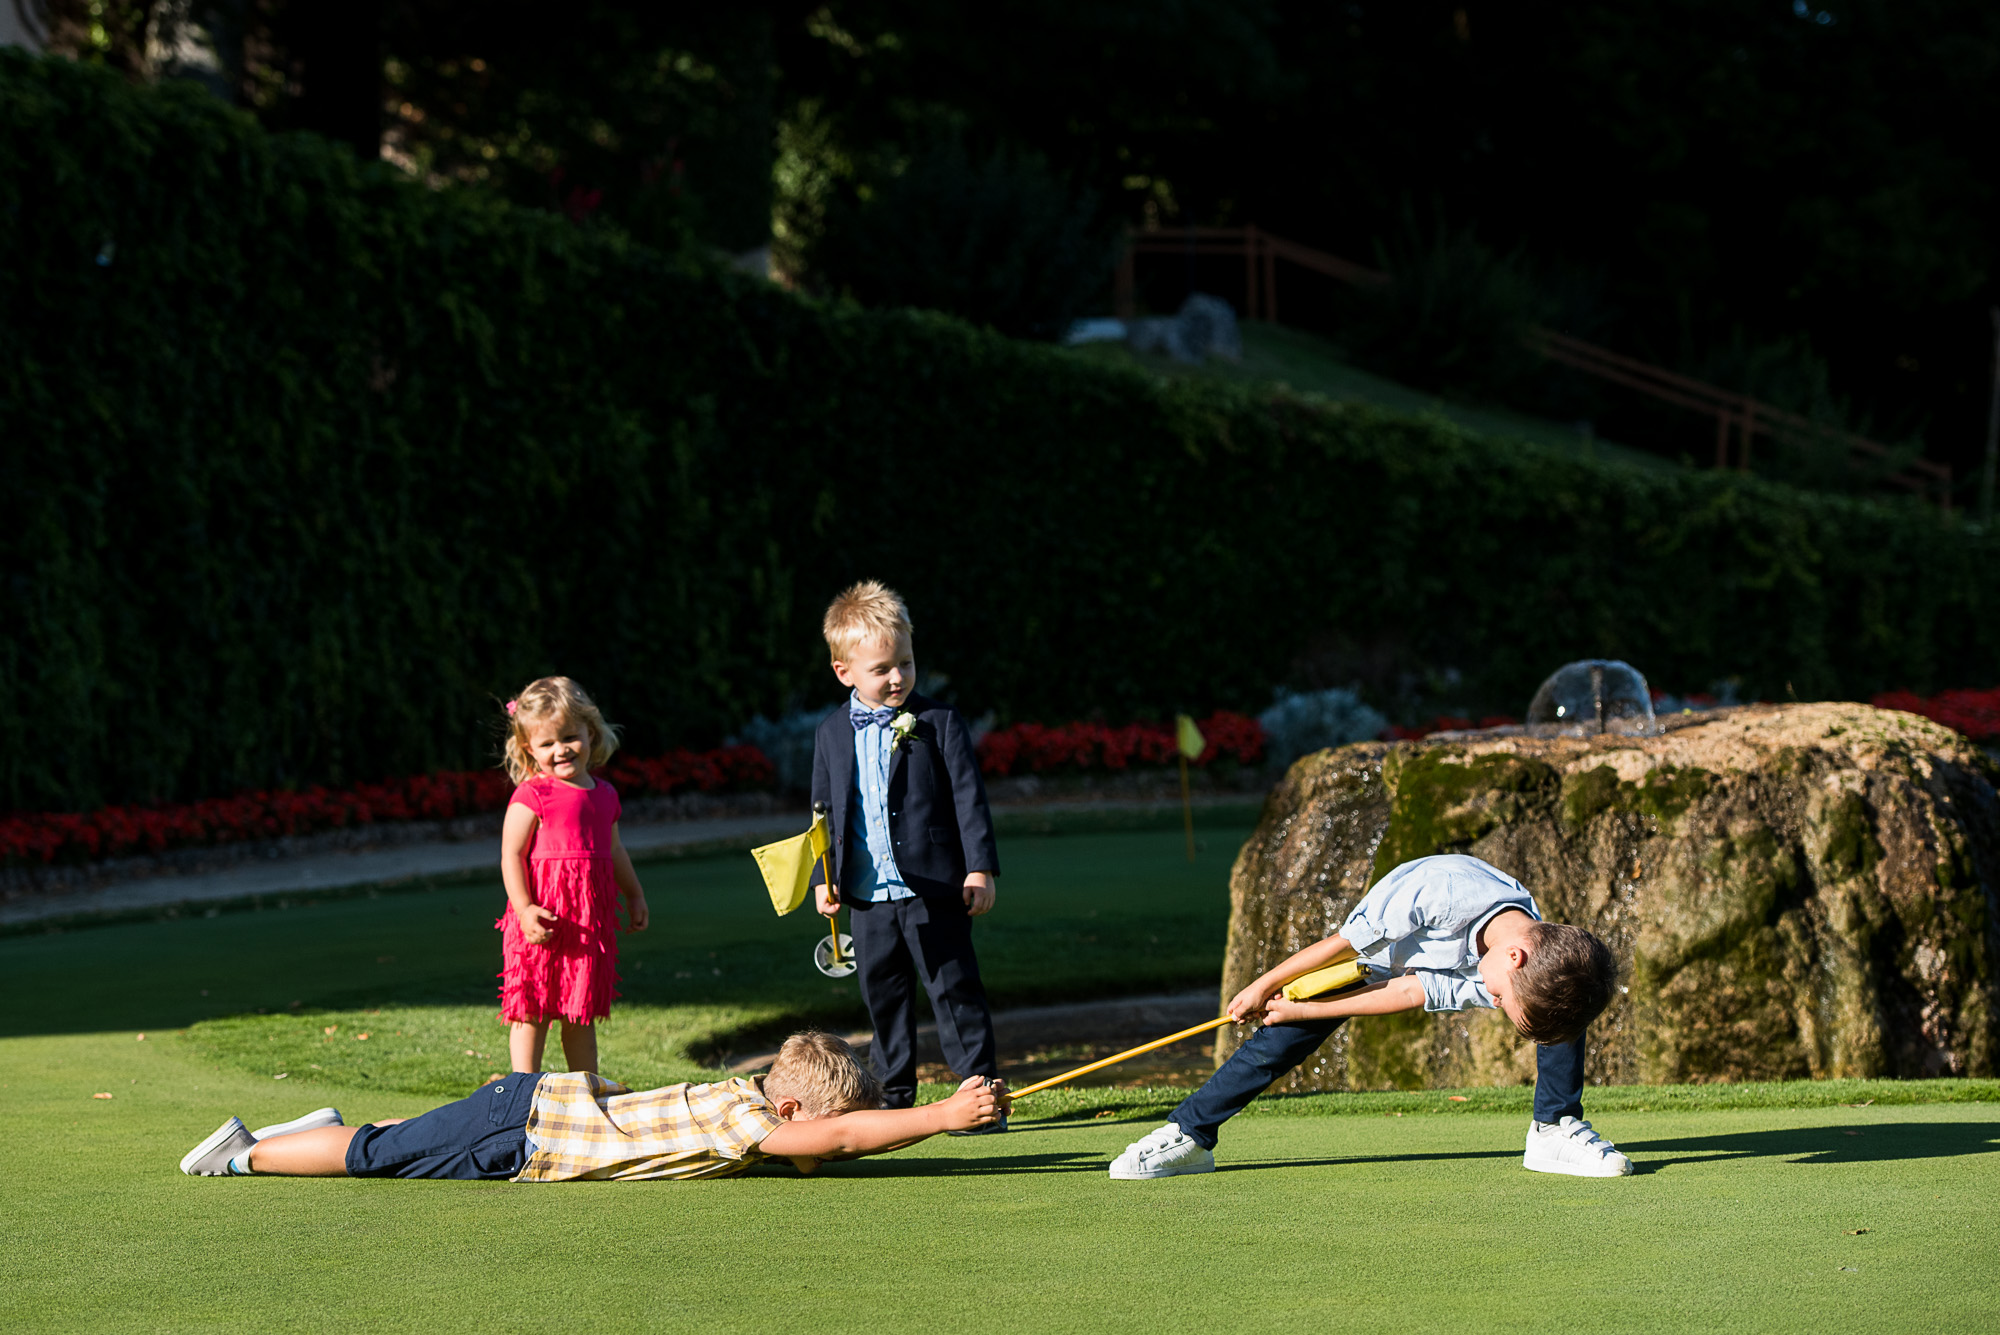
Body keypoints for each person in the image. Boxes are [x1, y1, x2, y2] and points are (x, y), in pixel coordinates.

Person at [1110, 853, 1633, 1180]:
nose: (1491, 1002)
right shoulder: (1439, 892)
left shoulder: (1526, 960)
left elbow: (1411, 992)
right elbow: (1341, 947)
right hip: (1366, 951)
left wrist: (1312, 1006)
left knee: (1565, 1006)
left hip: (1413, 967)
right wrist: (1270, 988)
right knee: (1279, 1039)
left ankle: (1554, 1129)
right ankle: (1190, 1136)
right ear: (1514, 958)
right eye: (1500, 1000)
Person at [179, 1032, 1010, 1180]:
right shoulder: (749, 1125)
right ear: (792, 1112)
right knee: (372, 1160)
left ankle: (319, 1129)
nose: (831, 1153)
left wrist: (928, 1122)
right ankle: (245, 1156)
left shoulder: (740, 1092)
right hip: (522, 1134)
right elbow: (835, 1137)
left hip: (531, 1101)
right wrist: (940, 1115)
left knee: (416, 1135)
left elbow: (843, 1133)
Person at [809, 581, 1003, 1122]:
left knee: (954, 991)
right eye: (882, 669)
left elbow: (969, 798)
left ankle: (980, 1097)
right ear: (844, 671)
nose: (897, 678)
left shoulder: (939, 722)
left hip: (934, 886)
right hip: (867, 897)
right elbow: (822, 817)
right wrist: (824, 881)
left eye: (906, 663)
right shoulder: (829, 734)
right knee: (884, 999)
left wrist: (980, 868)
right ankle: (893, 1101)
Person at [495, 676, 650, 1076]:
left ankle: (588, 1087)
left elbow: (614, 850)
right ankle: (520, 1089)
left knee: (579, 1010)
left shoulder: (604, 795)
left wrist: (633, 895)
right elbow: (511, 855)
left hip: (586, 923)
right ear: (530, 749)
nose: (560, 750)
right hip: (543, 919)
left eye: (569, 737)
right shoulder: (533, 795)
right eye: (547, 744)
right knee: (532, 1007)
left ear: (590, 733)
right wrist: (525, 909)